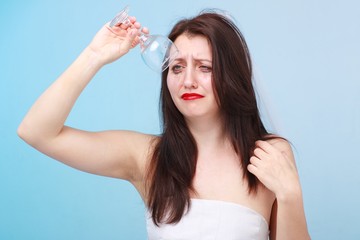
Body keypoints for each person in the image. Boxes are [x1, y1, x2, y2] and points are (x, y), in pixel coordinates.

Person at [18, 8, 310, 240]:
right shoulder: (148, 158)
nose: (188, 81)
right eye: (177, 67)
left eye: (204, 67)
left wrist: (290, 196)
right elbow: (36, 132)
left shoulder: (269, 155)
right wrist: (94, 55)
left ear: (232, 76)